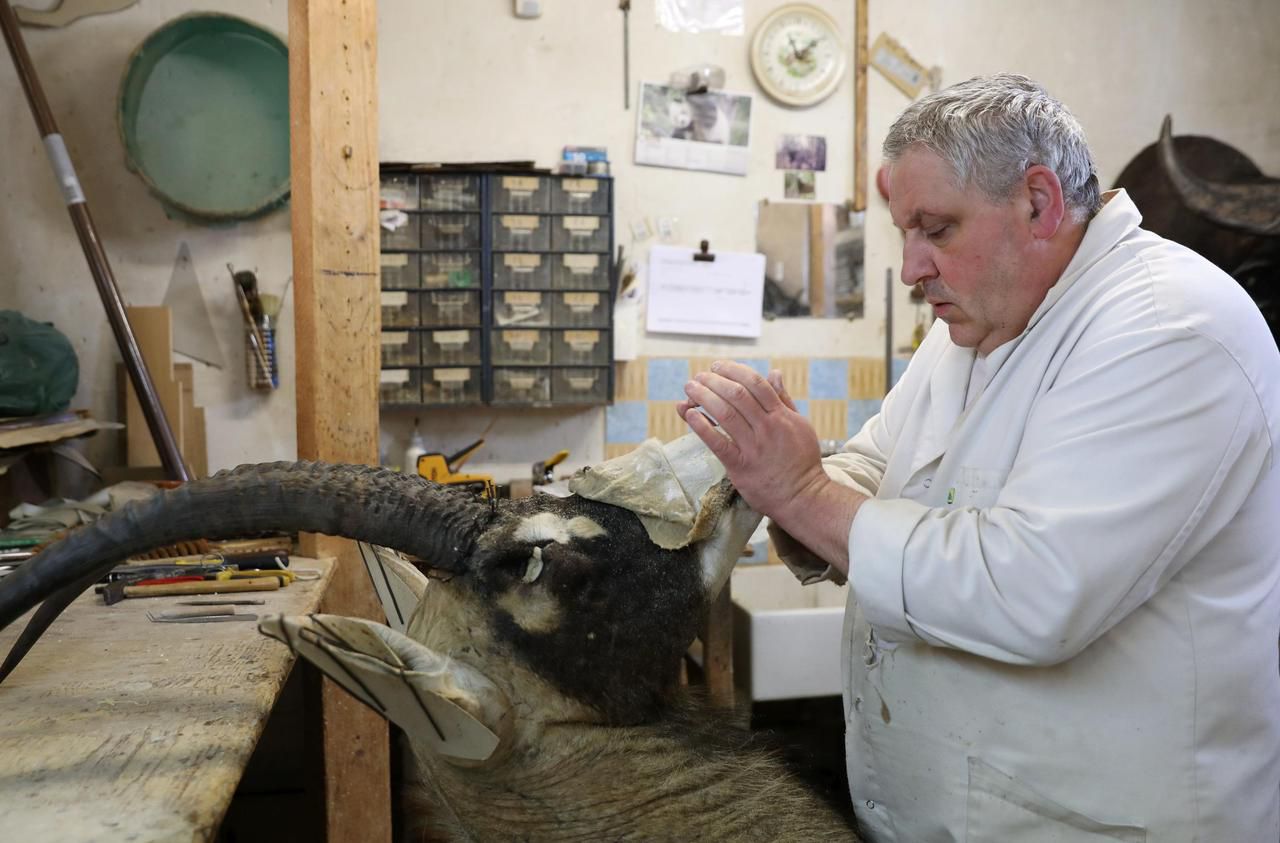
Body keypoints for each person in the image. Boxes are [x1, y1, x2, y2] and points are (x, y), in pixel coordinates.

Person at [678, 73, 1280, 841]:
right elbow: (875, 466)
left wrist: (801, 492)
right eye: (906, 232)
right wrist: (772, 471)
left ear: (1038, 202)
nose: (910, 268)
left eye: (936, 228)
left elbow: (1031, 590)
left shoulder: (1173, 329)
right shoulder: (980, 319)